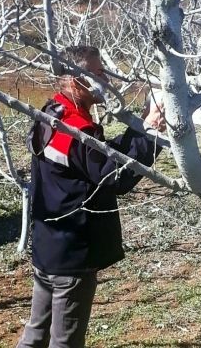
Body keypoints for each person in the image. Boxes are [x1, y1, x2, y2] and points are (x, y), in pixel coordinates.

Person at [16, 46, 165, 348]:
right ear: (74, 80)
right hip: (73, 254)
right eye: (97, 74)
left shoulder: (52, 113)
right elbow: (115, 177)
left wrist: (141, 127)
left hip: (49, 246)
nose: (106, 79)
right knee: (65, 342)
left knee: (36, 334)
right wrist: (150, 135)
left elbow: (99, 156)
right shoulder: (74, 130)